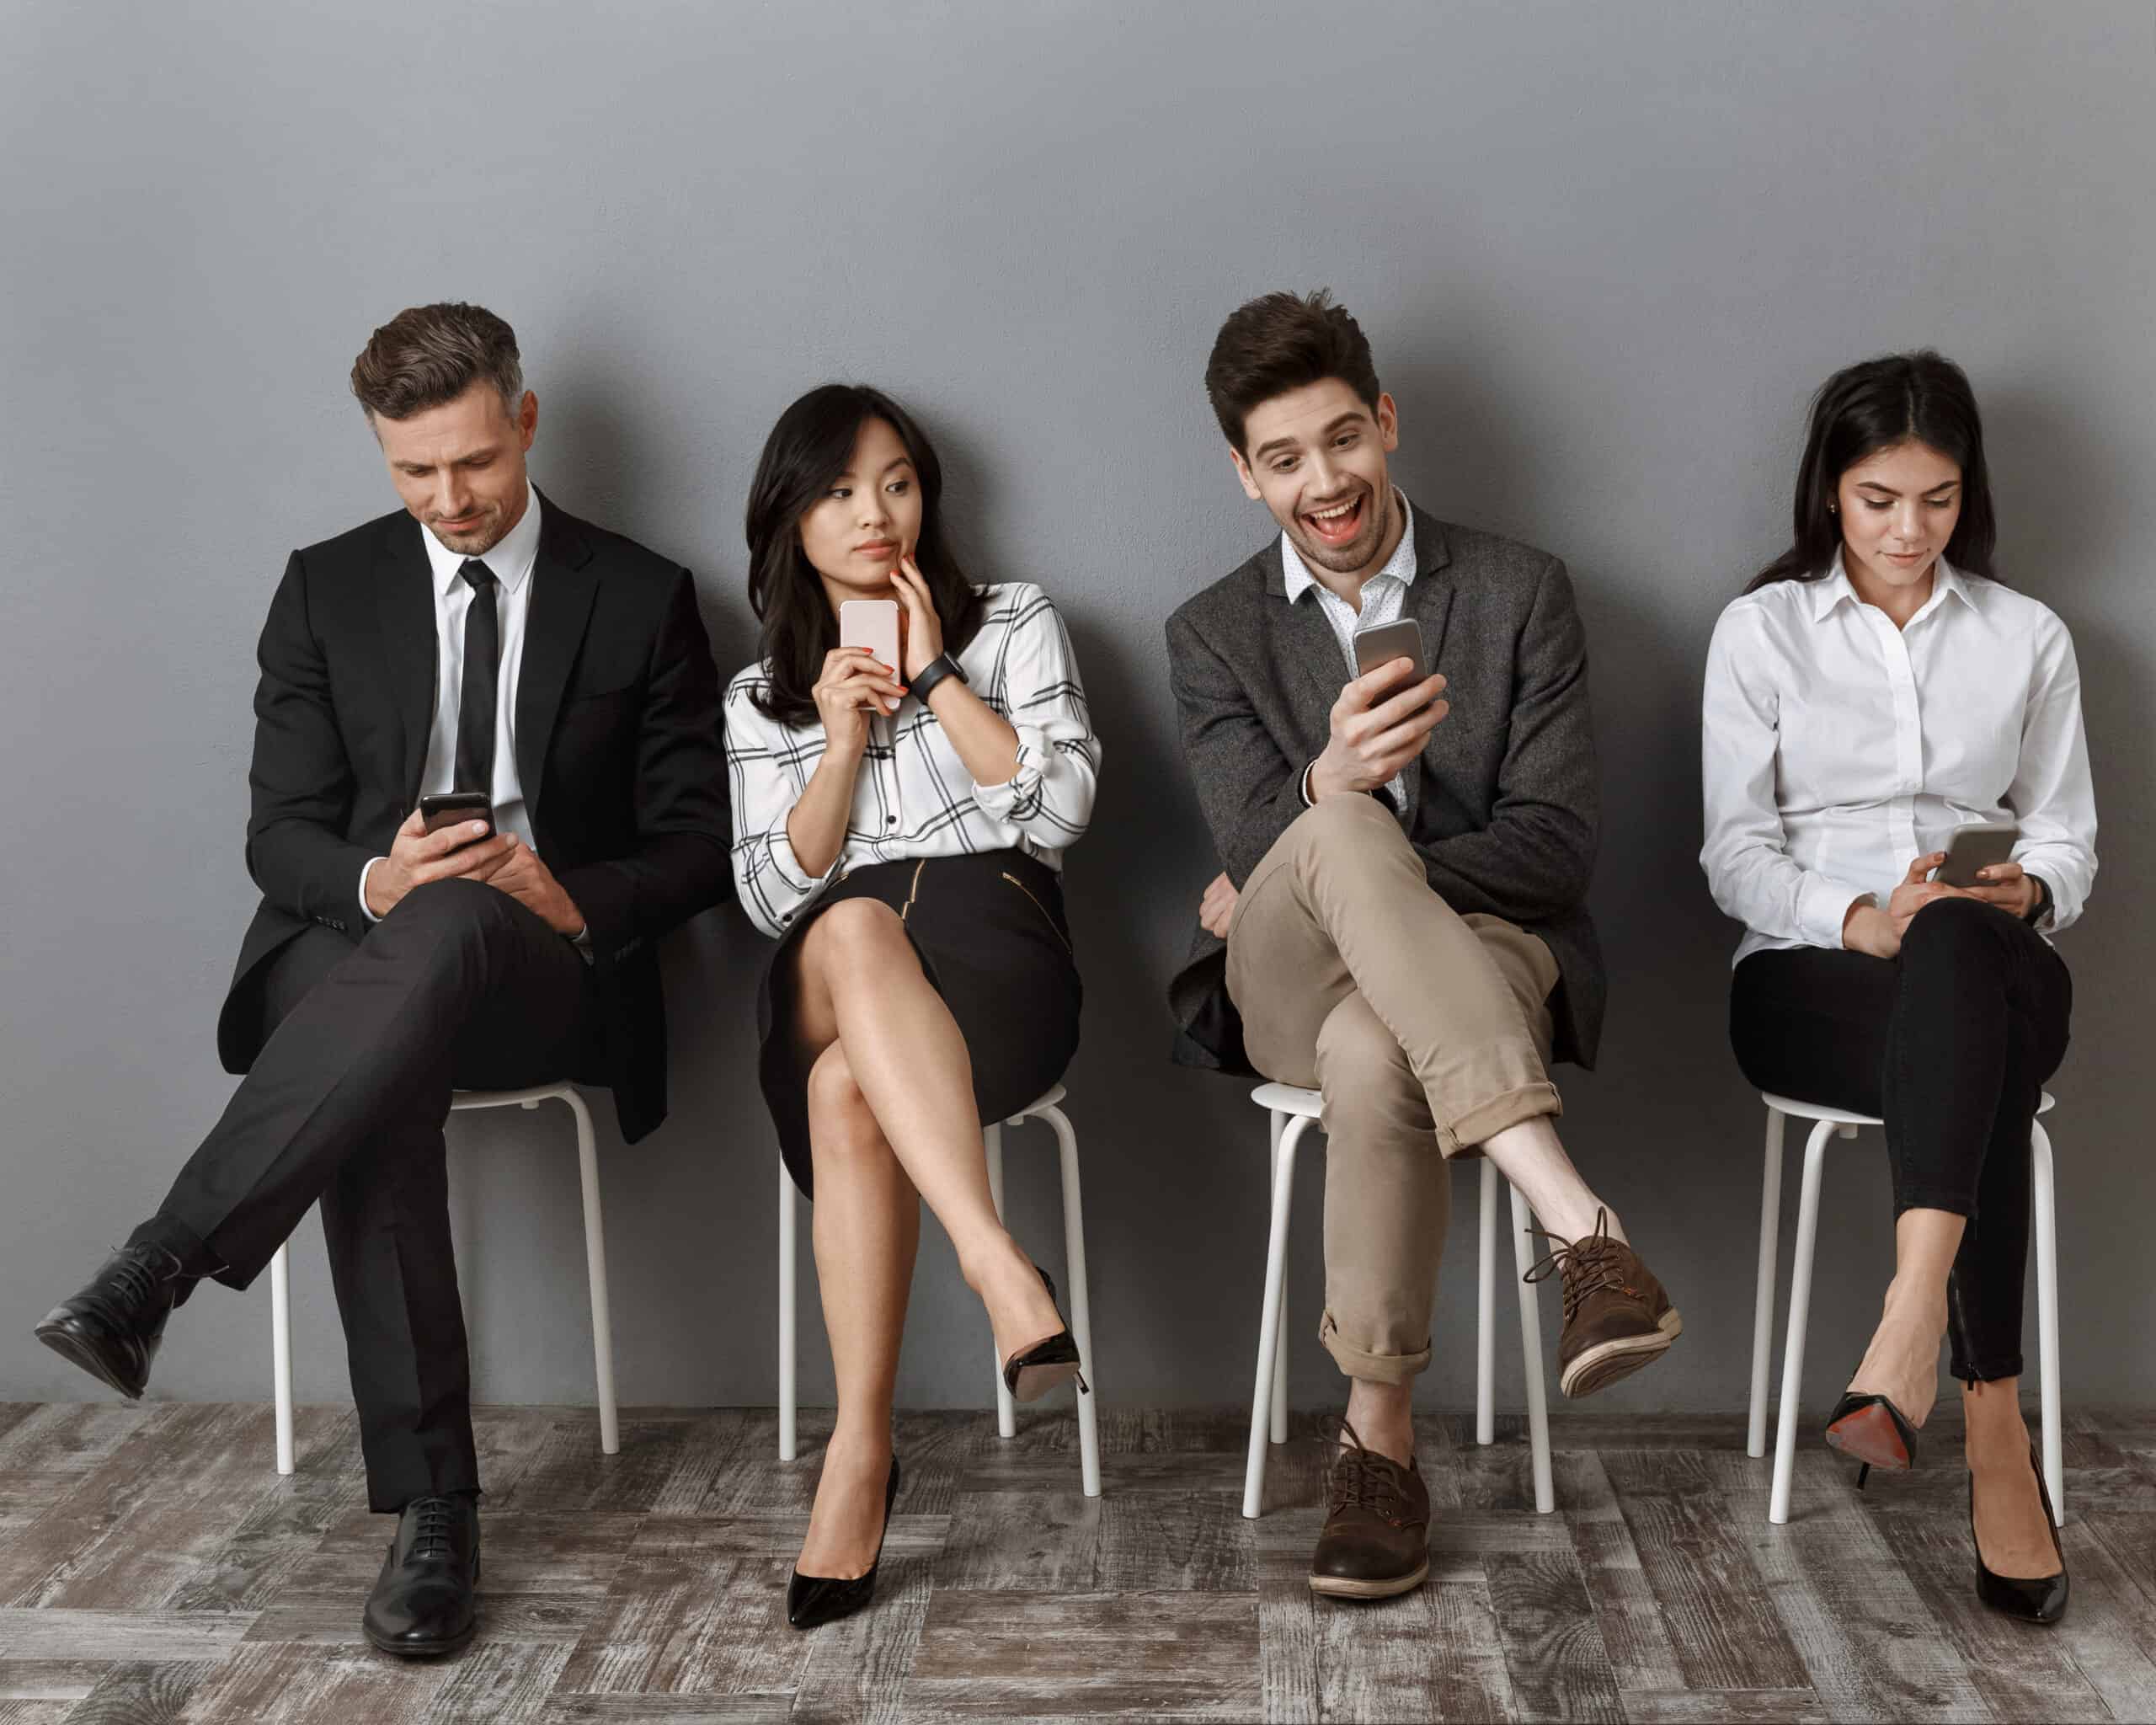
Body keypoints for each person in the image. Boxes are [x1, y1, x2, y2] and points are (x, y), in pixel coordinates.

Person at [33, 303, 733, 1658]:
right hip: (361, 961)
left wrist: (555, 890)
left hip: (542, 967)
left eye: (471, 462)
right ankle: (435, 1518)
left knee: (462, 928)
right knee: (383, 1038)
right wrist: (378, 879)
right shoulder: (325, 586)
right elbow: (279, 832)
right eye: (413, 472)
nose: (449, 499)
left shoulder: (640, 594)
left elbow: (700, 843)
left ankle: (158, 1269)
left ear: (524, 420)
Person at [1165, 290, 1678, 1602]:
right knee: (1330, 830)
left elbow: (1554, 848)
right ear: (1244, 474)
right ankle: (1578, 1224)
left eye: (1344, 439)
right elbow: (1251, 844)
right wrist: (1330, 798)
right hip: (1282, 979)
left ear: (1385, 424)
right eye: (1283, 459)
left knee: (1373, 1040)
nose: (1323, 482)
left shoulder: (1517, 592)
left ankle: (1377, 1444)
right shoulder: (1213, 634)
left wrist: (1330, 857)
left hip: (1491, 955)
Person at [1701, 350, 2091, 1624]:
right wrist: (1865, 920)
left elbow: (2067, 840)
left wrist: (2016, 895)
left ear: (1965, 493)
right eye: (1878, 500)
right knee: (1956, 1019)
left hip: (1989, 962)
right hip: (1816, 983)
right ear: (1831, 492)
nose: (1908, 531)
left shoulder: (2028, 636)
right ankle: (1993, 1435)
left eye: (1934, 499)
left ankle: (1908, 1321)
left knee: (1968, 952)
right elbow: (1735, 856)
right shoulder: (1762, 632)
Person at [724, 384, 1097, 1630]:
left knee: (847, 1087)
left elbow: (1059, 817)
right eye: (836, 491)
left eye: (893, 480)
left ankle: (861, 1454)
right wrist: (835, 746)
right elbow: (772, 899)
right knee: (843, 922)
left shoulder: (1017, 623)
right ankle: (998, 1268)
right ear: (791, 518)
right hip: (838, 974)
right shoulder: (757, 700)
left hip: (999, 960)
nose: (874, 512)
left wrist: (937, 677)